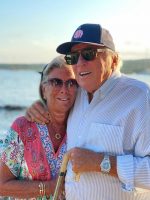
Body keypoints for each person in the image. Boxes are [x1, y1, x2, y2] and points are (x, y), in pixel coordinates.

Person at [26, 23, 150, 200]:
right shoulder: (77, 93)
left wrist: (102, 163)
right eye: (73, 57)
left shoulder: (139, 96)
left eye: (89, 54)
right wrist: (38, 108)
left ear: (113, 60)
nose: (80, 63)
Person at [0, 55, 78, 199]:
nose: (64, 89)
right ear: (43, 90)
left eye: (71, 83)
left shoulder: (80, 130)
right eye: (56, 82)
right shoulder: (22, 127)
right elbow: (2, 186)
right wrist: (49, 187)